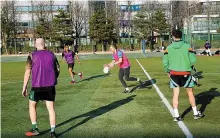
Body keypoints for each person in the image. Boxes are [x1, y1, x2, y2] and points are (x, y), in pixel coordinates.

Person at [163, 30, 204, 122]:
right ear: (181, 36)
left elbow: (165, 62)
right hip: (186, 73)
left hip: (174, 74)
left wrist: (167, 71)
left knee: (175, 95)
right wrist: (189, 65)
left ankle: (176, 116)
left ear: (173, 36)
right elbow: (193, 60)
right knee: (190, 93)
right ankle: (195, 113)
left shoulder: (168, 48)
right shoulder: (187, 46)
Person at [22, 38, 60, 137]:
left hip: (37, 86)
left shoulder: (31, 55)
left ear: (35, 45)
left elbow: (27, 72)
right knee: (51, 109)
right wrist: (53, 78)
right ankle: (52, 132)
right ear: (44, 44)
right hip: (50, 86)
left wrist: (24, 87)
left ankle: (35, 128)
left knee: (32, 105)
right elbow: (58, 69)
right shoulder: (52, 54)